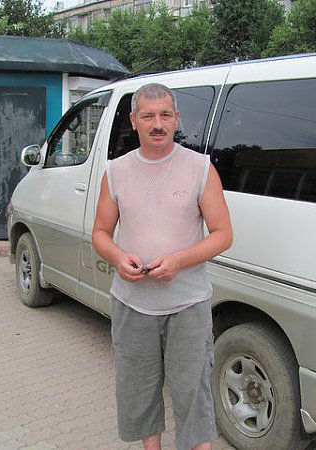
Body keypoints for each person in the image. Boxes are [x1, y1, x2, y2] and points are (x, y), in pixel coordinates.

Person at [92, 83, 233, 450]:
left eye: (165, 115)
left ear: (176, 118)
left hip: (188, 304)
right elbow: (101, 233)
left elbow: (223, 234)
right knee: (138, 389)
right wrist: (118, 257)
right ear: (133, 121)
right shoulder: (116, 171)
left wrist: (179, 261)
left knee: (193, 392)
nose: (157, 124)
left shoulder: (200, 168)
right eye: (148, 116)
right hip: (131, 303)